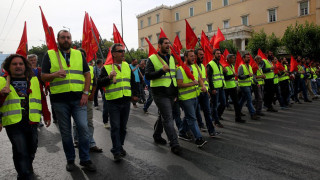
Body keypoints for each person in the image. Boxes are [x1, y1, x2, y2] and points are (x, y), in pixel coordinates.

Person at [41, 30, 96, 172]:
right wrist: (54, 75)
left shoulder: (78, 54)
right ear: (58, 39)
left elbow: (87, 74)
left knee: (83, 129)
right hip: (60, 101)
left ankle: (85, 159)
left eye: (68, 37)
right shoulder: (50, 54)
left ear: (71, 39)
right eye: (63, 37)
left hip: (79, 100)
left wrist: (85, 93)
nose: (66, 40)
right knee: (66, 133)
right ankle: (70, 160)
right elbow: (43, 77)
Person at [0, 54, 51, 180]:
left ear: (25, 66)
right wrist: (1, 94)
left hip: (32, 121)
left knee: (31, 149)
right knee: (20, 151)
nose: (18, 66)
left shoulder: (33, 79)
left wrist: (46, 114)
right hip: (14, 124)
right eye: (14, 64)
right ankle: (24, 174)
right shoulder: (2, 81)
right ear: (8, 66)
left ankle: (27, 167)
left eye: (20, 64)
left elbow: (41, 98)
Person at [98, 43, 138, 162]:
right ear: (114, 54)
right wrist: (109, 77)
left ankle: (119, 146)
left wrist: (135, 95)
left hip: (126, 101)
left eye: (123, 51)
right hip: (113, 102)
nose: (123, 53)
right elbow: (99, 83)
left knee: (123, 128)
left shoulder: (126, 65)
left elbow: (133, 81)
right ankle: (116, 151)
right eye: (120, 51)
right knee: (115, 127)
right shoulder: (106, 67)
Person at [145, 37, 181, 155]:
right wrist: (161, 70)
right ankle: (174, 143)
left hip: (171, 92)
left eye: (169, 43)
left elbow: (173, 76)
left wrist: (176, 93)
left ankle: (157, 135)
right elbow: (148, 76)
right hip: (160, 93)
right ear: (159, 45)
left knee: (163, 116)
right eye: (165, 43)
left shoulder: (171, 58)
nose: (168, 45)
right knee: (168, 118)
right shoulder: (152, 59)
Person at [73, 49, 102, 153]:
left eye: (83, 56)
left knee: (89, 122)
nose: (81, 58)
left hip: (88, 100)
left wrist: (91, 95)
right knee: (78, 123)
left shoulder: (90, 68)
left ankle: (91, 143)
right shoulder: (71, 68)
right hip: (76, 100)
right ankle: (76, 139)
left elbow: (95, 83)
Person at [177, 50, 207, 147]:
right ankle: (199, 138)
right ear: (185, 57)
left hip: (194, 97)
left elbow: (199, 79)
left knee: (188, 116)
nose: (194, 58)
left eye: (194, 56)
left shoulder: (194, 67)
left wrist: (203, 86)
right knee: (192, 118)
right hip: (185, 99)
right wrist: (192, 84)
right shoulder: (180, 69)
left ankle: (181, 132)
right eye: (191, 56)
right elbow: (179, 84)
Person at [195, 49, 223, 134]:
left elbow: (205, 81)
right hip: (195, 94)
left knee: (207, 112)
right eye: (200, 55)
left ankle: (211, 131)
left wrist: (207, 90)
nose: (202, 56)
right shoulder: (192, 67)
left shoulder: (203, 67)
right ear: (195, 56)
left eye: (203, 54)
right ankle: (183, 131)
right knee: (192, 115)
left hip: (204, 93)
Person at [221, 54, 246, 122]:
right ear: (228, 59)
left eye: (234, 58)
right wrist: (232, 75)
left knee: (236, 103)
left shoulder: (231, 66)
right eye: (232, 58)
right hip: (226, 88)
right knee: (223, 103)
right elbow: (225, 78)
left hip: (233, 87)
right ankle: (218, 115)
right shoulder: (224, 67)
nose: (234, 60)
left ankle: (238, 118)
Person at [27, 54, 49, 127]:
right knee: (32, 106)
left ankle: (39, 120)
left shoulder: (40, 70)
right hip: (30, 91)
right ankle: (34, 120)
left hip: (39, 91)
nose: (33, 62)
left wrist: (46, 87)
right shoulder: (26, 70)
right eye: (31, 60)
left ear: (36, 61)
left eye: (34, 60)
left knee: (40, 105)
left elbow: (44, 80)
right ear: (28, 61)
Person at [207, 49, 226, 128]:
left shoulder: (219, 64)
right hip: (215, 88)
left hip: (221, 87)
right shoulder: (210, 64)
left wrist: (224, 71)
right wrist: (212, 89)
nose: (219, 55)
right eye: (217, 53)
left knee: (223, 103)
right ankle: (216, 121)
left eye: (220, 53)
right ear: (213, 54)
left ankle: (215, 117)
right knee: (214, 105)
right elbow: (210, 78)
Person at [238, 53, 260, 120]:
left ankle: (238, 111)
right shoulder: (241, 66)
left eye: (249, 57)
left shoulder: (250, 66)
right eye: (247, 57)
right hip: (244, 86)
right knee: (249, 100)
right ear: (244, 59)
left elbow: (252, 75)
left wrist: (256, 82)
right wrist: (247, 76)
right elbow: (240, 76)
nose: (249, 58)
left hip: (249, 85)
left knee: (243, 99)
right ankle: (253, 114)